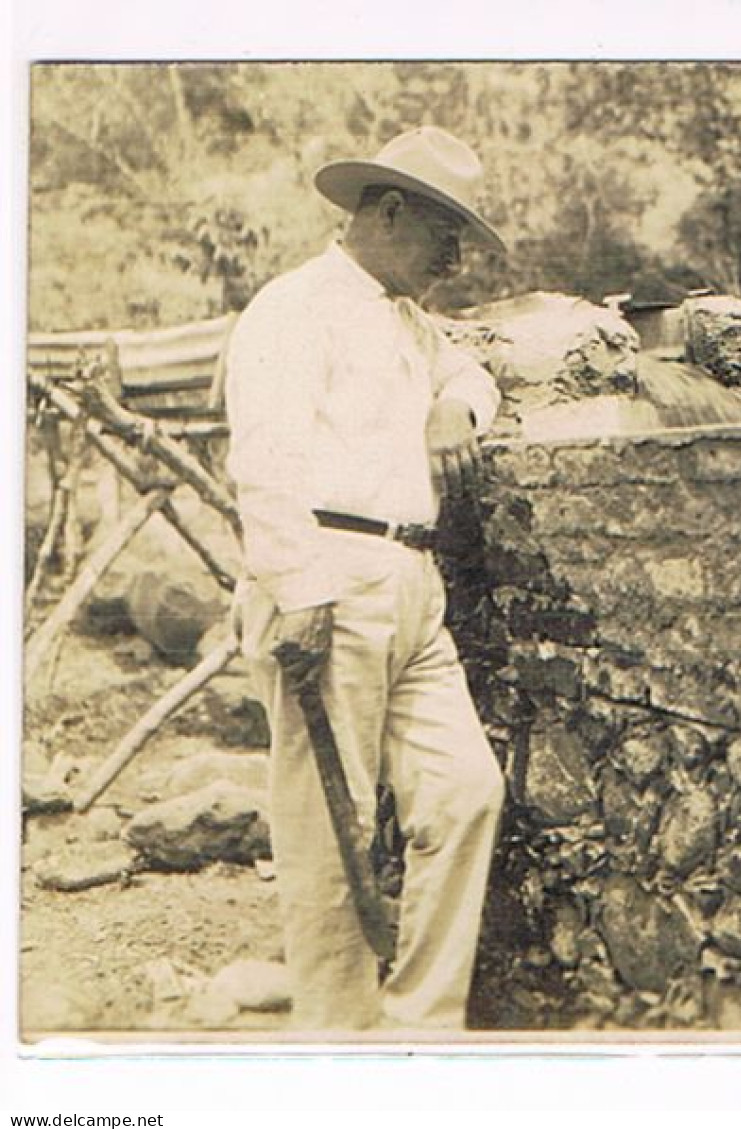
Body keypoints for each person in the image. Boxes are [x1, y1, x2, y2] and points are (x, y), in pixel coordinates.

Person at [225, 126, 508, 1031]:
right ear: (388, 213)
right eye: (446, 234)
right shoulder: (292, 307)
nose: (457, 259)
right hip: (325, 576)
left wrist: (453, 402)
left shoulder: (408, 320)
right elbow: (264, 461)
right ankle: (336, 1037)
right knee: (326, 831)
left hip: (411, 580)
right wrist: (299, 593)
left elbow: (472, 371)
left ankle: (421, 1026)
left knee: (467, 791)